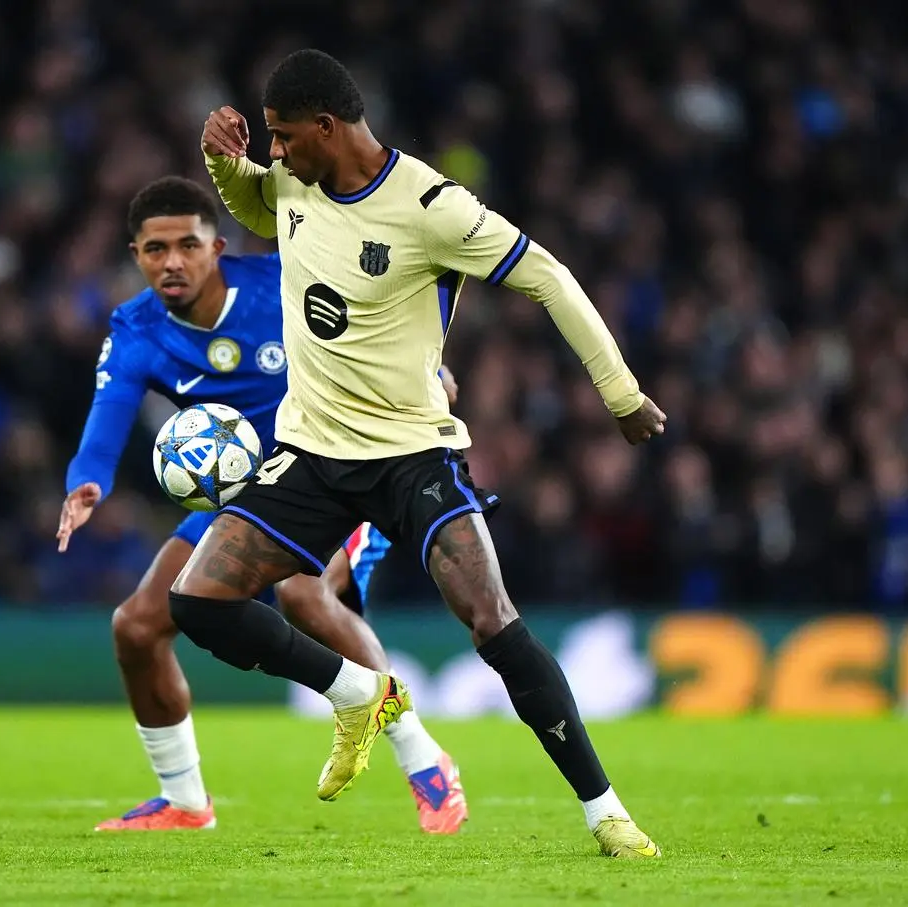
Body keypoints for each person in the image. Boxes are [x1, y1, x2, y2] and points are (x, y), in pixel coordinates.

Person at [175, 49, 667, 857]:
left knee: (494, 624)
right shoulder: (295, 180)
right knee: (197, 601)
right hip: (311, 451)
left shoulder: (431, 206)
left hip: (412, 457)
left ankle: (606, 811)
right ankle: (356, 692)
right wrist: (220, 160)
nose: (277, 151)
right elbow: (258, 213)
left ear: (328, 128)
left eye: (284, 136)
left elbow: (547, 276)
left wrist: (621, 395)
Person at [56, 176, 468, 834]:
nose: (172, 262)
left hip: (337, 469)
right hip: (243, 490)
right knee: (136, 626)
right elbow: (109, 414)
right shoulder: (135, 328)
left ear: (216, 246)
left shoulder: (281, 282)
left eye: (187, 244)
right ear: (135, 253)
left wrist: (423, 366)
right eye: (154, 248)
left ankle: (424, 758)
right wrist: (87, 480)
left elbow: (375, 304)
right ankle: (185, 802)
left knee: (305, 597)